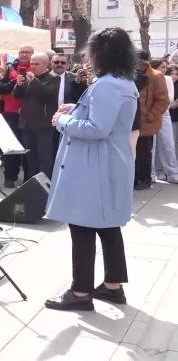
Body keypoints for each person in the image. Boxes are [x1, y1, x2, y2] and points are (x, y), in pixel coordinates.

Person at [43, 28, 138, 312]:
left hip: (93, 168)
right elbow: (105, 117)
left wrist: (62, 122)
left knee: (82, 227)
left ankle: (81, 291)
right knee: (108, 227)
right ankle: (113, 286)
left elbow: (97, 128)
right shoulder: (123, 81)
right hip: (108, 163)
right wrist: (78, 108)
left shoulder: (107, 85)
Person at [12, 52, 59, 179]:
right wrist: (19, 84)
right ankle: (33, 187)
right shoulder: (28, 78)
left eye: (36, 64)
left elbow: (47, 93)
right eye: (31, 64)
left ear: (46, 65)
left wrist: (34, 81)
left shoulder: (53, 78)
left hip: (43, 125)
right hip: (27, 124)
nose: (33, 66)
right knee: (31, 159)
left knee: (44, 159)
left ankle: (45, 189)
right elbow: (16, 95)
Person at [0, 45, 34, 188]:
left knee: (27, 146)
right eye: (21, 52)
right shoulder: (10, 68)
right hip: (10, 112)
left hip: (29, 113)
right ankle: (10, 176)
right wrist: (15, 81)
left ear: (32, 54)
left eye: (27, 52)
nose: (24, 55)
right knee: (11, 145)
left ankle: (28, 178)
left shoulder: (36, 67)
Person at [133, 52, 169, 190]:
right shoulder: (131, 74)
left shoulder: (156, 76)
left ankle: (145, 179)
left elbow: (163, 101)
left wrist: (150, 116)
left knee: (144, 152)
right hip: (133, 120)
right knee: (133, 152)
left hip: (146, 122)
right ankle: (135, 179)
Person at [149, 59, 178, 183]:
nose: (164, 70)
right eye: (162, 67)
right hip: (150, 114)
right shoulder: (148, 78)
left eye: (165, 67)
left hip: (163, 113)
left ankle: (172, 173)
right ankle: (151, 174)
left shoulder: (167, 80)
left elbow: (169, 98)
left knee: (168, 144)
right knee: (151, 146)